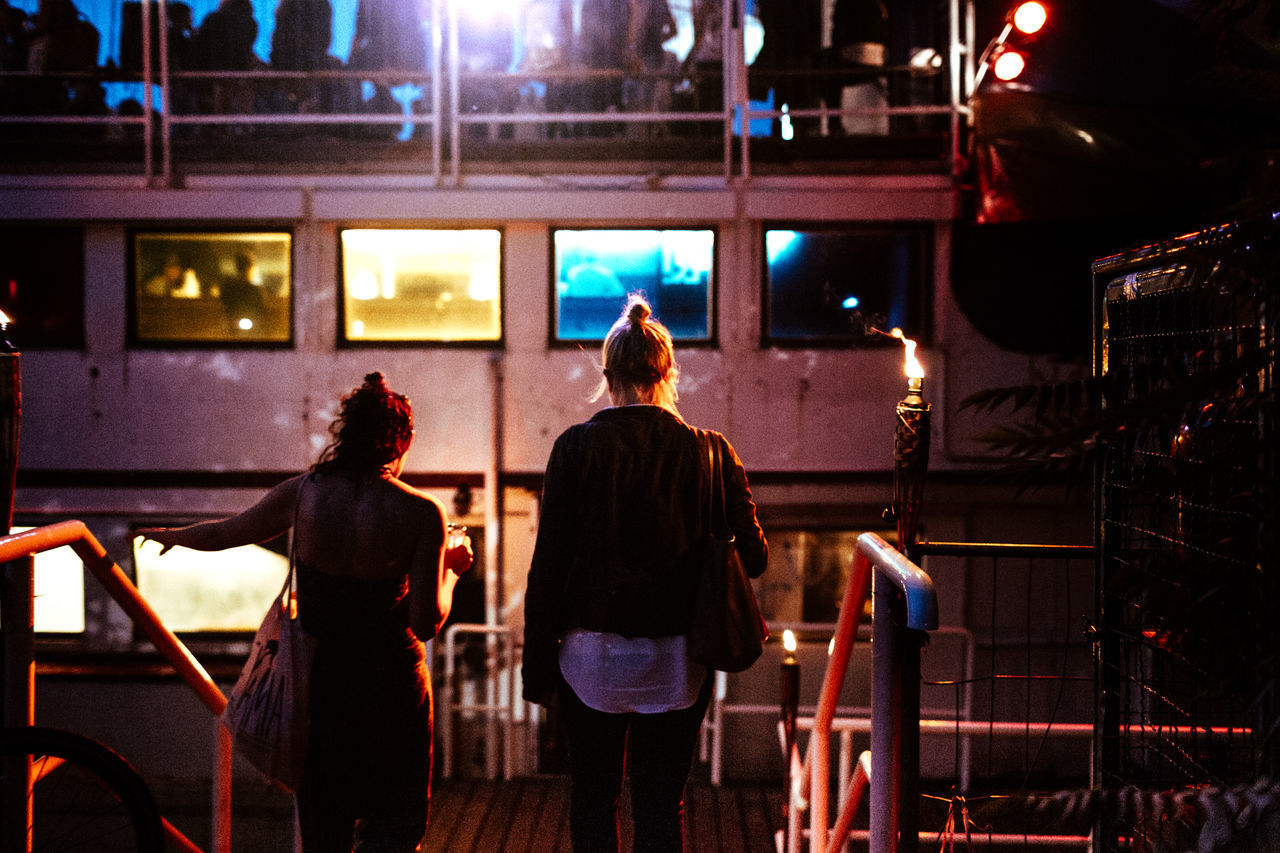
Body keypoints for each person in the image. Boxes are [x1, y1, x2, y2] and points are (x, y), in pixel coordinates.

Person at [138, 372, 473, 853]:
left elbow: (229, 532)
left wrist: (173, 535)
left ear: (346, 432)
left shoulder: (305, 493)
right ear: (404, 440)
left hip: (320, 685)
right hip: (391, 690)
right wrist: (454, 572)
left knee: (324, 827)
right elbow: (426, 622)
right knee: (393, 826)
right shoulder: (422, 512)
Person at [522, 294, 768, 852]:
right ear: (668, 373)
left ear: (607, 375)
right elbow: (754, 560)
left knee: (593, 798)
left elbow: (547, 568)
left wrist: (535, 669)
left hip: (587, 659)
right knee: (661, 806)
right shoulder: (711, 451)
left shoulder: (574, 448)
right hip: (678, 662)